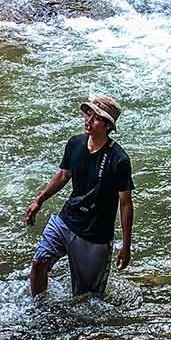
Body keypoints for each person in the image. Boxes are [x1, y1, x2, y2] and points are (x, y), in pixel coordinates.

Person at [24, 95, 135, 297]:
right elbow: (63, 175)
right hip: (67, 220)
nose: (88, 120)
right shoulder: (75, 143)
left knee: (86, 297)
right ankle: (38, 310)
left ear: (108, 125)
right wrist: (38, 200)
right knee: (38, 262)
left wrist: (126, 246)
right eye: (88, 113)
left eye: (96, 117)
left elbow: (125, 203)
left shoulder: (119, 160)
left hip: (95, 235)